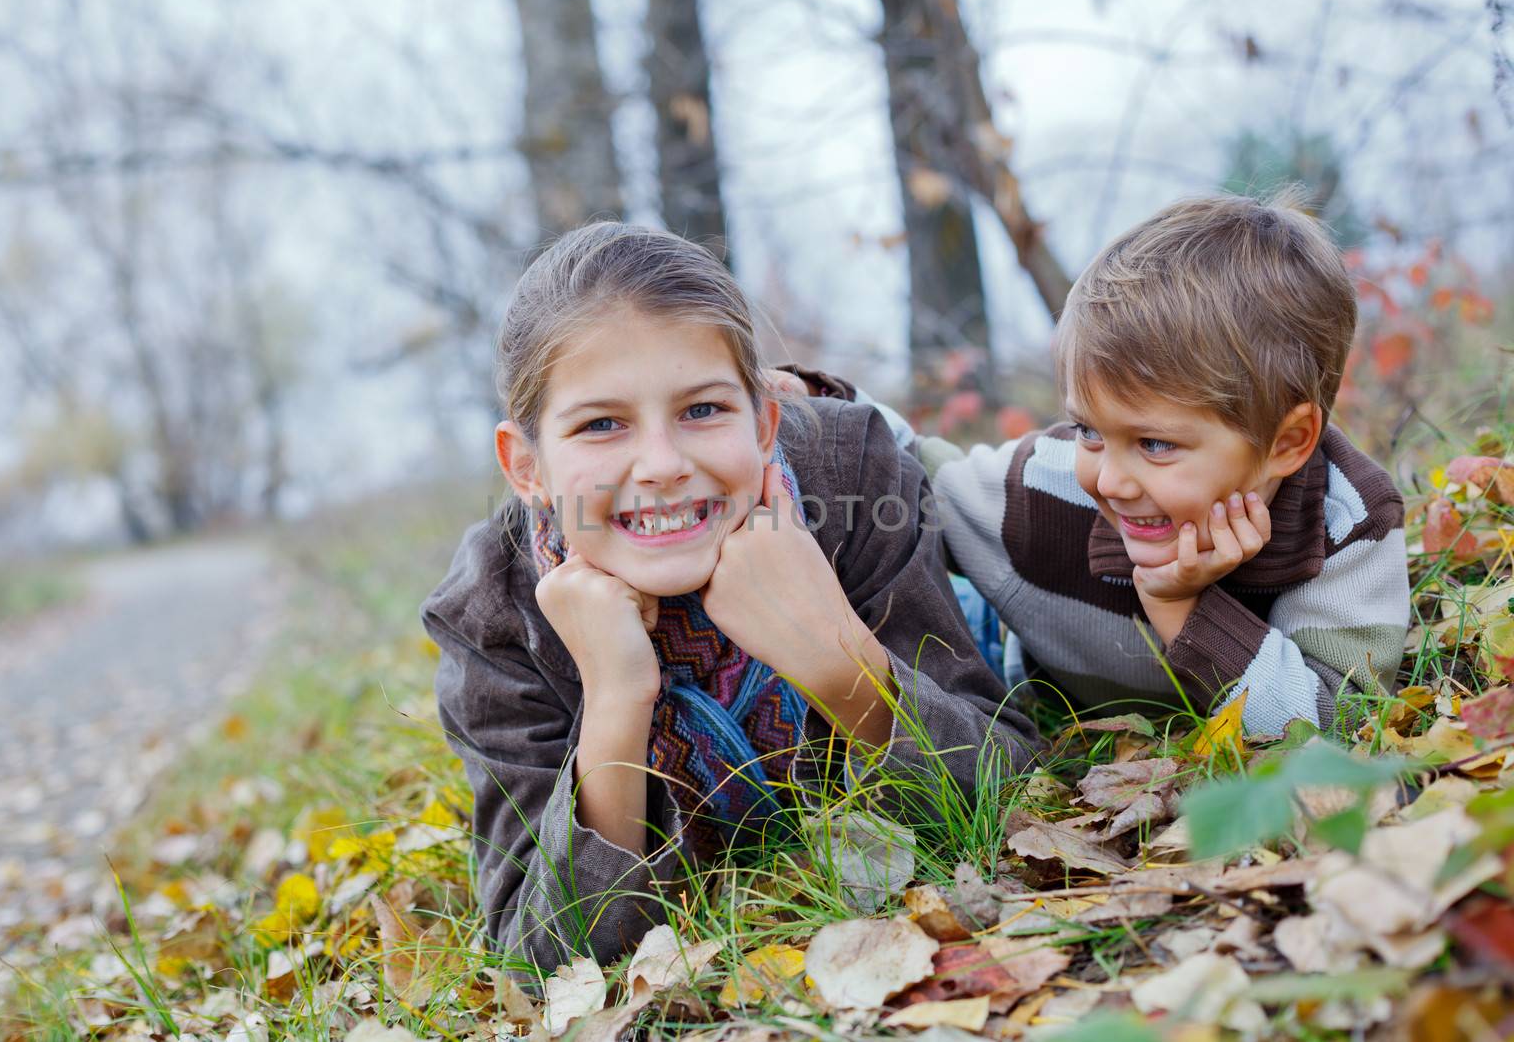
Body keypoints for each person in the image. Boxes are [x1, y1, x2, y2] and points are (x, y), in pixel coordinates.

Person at [419, 222, 1040, 974]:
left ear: (764, 417)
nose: (662, 464)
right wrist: (616, 701)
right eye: (601, 424)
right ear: (527, 467)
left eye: (703, 410)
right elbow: (539, 956)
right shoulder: (491, 614)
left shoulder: (853, 478)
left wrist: (839, 661)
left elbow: (1015, 797)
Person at [785, 191, 1410, 737]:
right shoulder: (1051, 485)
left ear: (1287, 443)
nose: (1108, 481)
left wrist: (1184, 608)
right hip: (1003, 646)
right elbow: (917, 469)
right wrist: (818, 402)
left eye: (1156, 445)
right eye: (1089, 430)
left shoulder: (1347, 527)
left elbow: (1332, 729)